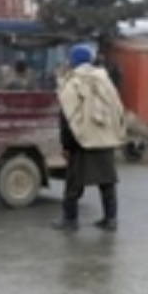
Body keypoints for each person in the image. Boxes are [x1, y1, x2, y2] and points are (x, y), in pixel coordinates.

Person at [52, 44, 127, 232]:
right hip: (105, 139)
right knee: (107, 182)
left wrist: (66, 145)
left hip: (82, 141)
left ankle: (70, 220)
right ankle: (110, 220)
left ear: (72, 61)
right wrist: (116, 133)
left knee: (74, 183)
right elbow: (118, 109)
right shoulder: (105, 81)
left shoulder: (71, 84)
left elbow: (67, 118)